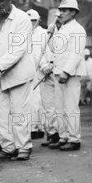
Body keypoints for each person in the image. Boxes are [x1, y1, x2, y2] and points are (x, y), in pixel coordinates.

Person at [0, 0, 35, 161]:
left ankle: (23, 147)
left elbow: (18, 49)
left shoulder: (22, 18)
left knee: (18, 112)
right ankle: (8, 147)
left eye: (3, 0)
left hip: (18, 74)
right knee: (0, 113)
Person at [46, 0, 86, 151]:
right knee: (59, 108)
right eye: (60, 10)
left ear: (73, 12)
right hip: (58, 72)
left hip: (70, 74)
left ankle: (74, 139)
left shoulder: (78, 29)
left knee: (70, 107)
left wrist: (66, 72)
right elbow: (53, 50)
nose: (61, 13)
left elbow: (76, 54)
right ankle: (63, 137)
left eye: (65, 10)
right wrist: (51, 32)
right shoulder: (60, 29)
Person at [39, 11, 62, 147]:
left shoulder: (65, 34)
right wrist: (44, 66)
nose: (56, 21)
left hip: (58, 74)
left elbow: (64, 54)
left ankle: (62, 135)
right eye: (55, 19)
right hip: (45, 75)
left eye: (59, 18)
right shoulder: (44, 35)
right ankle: (52, 134)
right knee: (47, 106)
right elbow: (38, 52)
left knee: (59, 106)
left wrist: (52, 66)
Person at [26, 9, 48, 139]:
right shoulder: (24, 33)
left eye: (34, 20)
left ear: (38, 20)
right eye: (29, 21)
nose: (31, 23)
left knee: (40, 101)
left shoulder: (44, 33)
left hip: (40, 71)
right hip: (28, 71)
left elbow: (45, 52)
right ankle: (33, 128)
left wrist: (45, 65)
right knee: (30, 101)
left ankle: (40, 128)